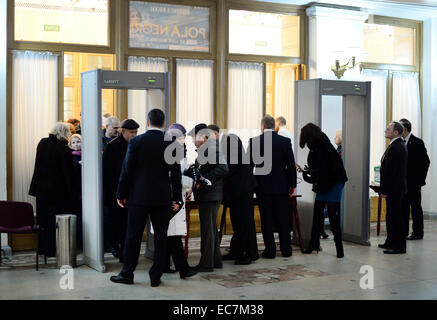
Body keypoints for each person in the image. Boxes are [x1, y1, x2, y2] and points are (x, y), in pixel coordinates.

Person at [110, 109, 182, 287]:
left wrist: (121, 193)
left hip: (138, 197)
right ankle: (155, 275)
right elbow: (176, 174)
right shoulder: (171, 143)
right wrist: (177, 199)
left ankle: (127, 273)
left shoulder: (136, 141)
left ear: (148, 122)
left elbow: (127, 171)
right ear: (164, 124)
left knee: (133, 236)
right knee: (161, 237)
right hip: (162, 197)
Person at [297, 123, 347, 258]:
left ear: (309, 136)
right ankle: (313, 245)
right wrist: (309, 172)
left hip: (334, 182)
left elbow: (326, 169)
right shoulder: (318, 146)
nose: (305, 142)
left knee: (332, 215)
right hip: (326, 182)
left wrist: (310, 172)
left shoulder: (322, 146)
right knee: (318, 215)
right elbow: (320, 169)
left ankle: (339, 249)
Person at [249, 115, 296, 259]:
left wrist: (252, 185)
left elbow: (249, 166)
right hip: (281, 187)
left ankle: (270, 250)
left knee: (266, 219)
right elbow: (290, 166)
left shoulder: (255, 142)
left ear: (262, 127)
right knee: (283, 219)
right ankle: (286, 249)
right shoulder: (285, 141)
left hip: (262, 187)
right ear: (273, 126)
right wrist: (292, 185)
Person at [29, 122, 77, 257]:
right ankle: (51, 250)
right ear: (65, 133)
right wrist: (73, 192)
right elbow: (69, 174)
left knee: (42, 220)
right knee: (53, 221)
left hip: (40, 189)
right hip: (57, 191)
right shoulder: (64, 149)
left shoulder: (42, 143)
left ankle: (42, 248)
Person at [188, 123, 229, 272]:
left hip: (210, 196)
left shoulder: (211, 147)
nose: (193, 141)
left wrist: (202, 180)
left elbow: (223, 168)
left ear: (203, 137)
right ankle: (216, 260)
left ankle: (206, 264)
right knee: (211, 229)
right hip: (210, 195)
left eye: (194, 138)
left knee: (208, 231)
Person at [161, 123, 197, 279]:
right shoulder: (172, 153)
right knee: (173, 236)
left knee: (171, 236)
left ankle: (166, 266)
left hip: (175, 197)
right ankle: (183, 269)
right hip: (172, 199)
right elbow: (173, 177)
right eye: (182, 137)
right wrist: (191, 183)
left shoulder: (177, 152)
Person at [103, 119, 139, 261]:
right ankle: (115, 247)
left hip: (131, 192)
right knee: (116, 223)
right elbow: (108, 173)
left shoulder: (136, 145)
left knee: (128, 224)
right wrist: (117, 193)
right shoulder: (112, 147)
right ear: (123, 132)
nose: (134, 135)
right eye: (131, 132)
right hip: (115, 191)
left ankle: (125, 252)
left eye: (136, 132)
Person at [222, 133, 259, 265]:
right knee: (240, 223)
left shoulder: (233, 158)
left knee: (243, 224)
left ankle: (248, 254)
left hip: (241, 193)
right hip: (243, 192)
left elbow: (228, 174)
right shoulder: (241, 156)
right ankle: (238, 251)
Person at [378, 121, 408, 254]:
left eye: (388, 129)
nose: (385, 131)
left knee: (396, 217)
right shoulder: (395, 145)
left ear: (396, 132)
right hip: (394, 188)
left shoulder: (397, 147)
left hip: (394, 189)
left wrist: (385, 190)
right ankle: (390, 241)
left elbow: (392, 171)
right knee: (391, 216)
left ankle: (399, 246)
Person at [399, 119, 430, 240]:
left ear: (405, 129)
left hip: (414, 183)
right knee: (404, 208)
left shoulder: (417, 142)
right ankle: (404, 232)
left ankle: (417, 233)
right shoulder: (401, 143)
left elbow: (425, 162)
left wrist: (419, 180)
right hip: (403, 183)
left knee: (416, 208)